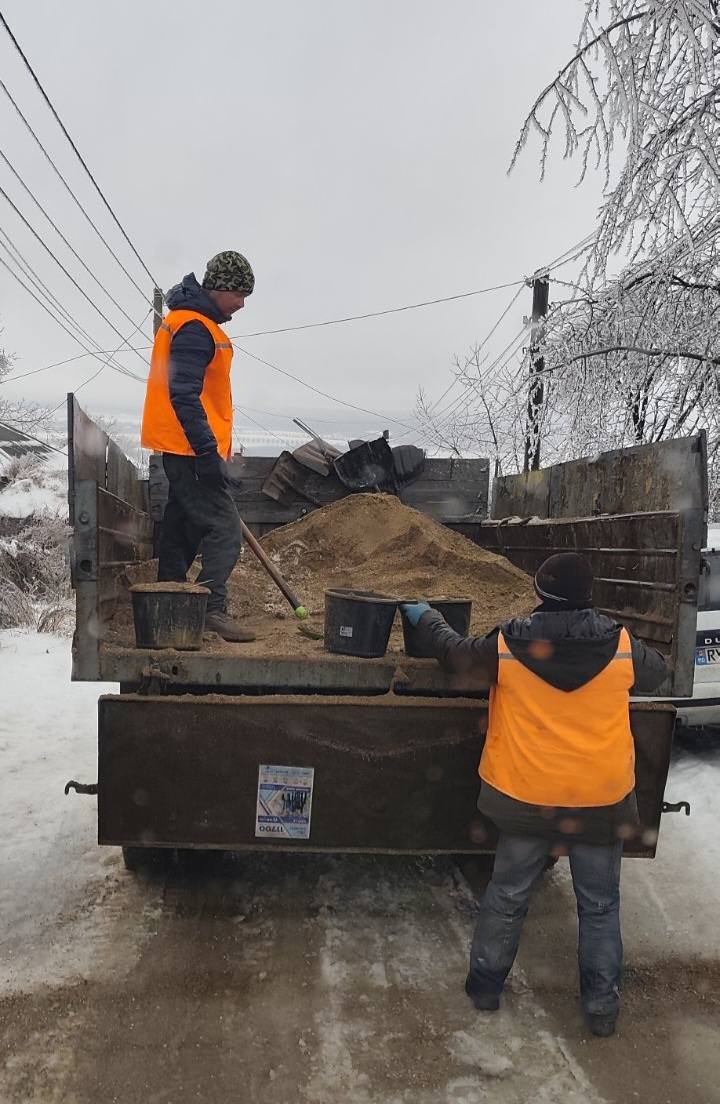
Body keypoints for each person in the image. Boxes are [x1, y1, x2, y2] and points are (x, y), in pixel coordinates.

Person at [400, 552, 668, 1038]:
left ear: (540, 593)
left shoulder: (508, 644)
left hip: (528, 799)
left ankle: (485, 988)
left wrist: (429, 619)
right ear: (589, 595)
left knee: (507, 895)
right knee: (600, 906)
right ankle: (601, 1009)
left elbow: (455, 654)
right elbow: (659, 672)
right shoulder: (622, 645)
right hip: (600, 801)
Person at [141, 251, 256, 643]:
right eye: (239, 294)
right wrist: (208, 454)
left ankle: (168, 600)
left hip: (184, 449)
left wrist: (215, 454)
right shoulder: (194, 328)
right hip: (191, 450)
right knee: (225, 530)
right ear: (219, 288)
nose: (242, 304)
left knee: (182, 527)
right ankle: (210, 610)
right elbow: (185, 395)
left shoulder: (190, 321)